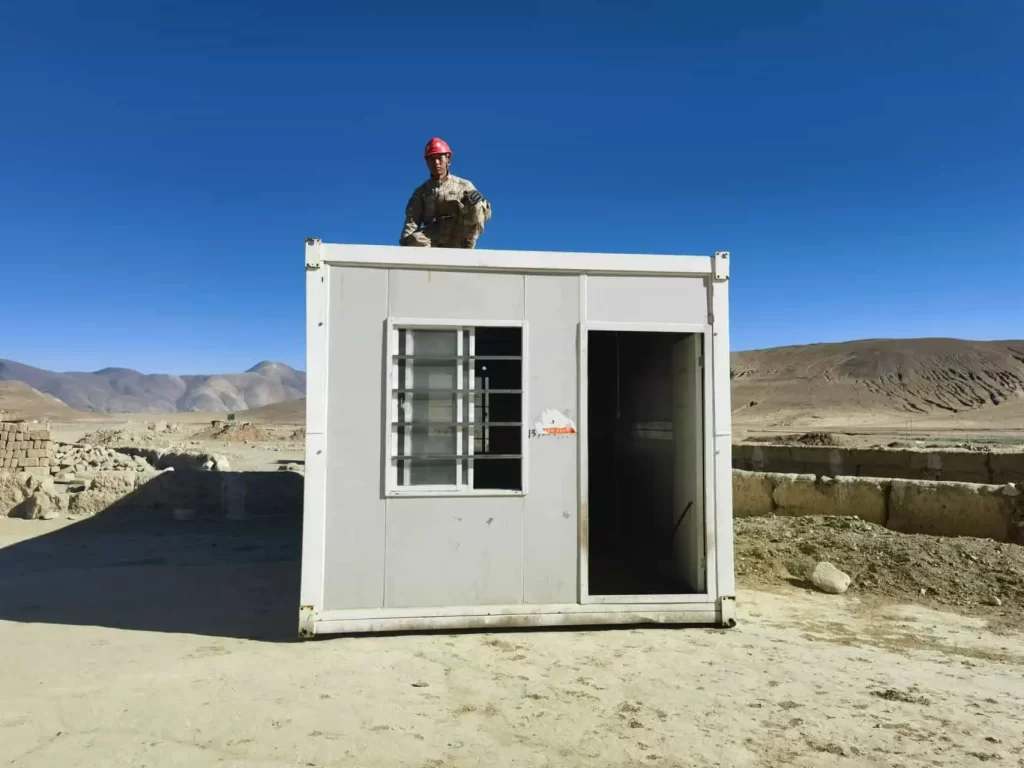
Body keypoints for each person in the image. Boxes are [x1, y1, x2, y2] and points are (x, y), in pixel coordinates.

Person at [399, 137, 492, 248]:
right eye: (432, 159)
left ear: (448, 161)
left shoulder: (464, 185)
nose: (436, 163)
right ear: (427, 163)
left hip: (459, 234)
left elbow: (484, 213)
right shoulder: (421, 192)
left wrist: (482, 204)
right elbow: (412, 220)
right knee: (414, 240)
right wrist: (405, 246)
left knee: (479, 203)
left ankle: (467, 246)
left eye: (439, 158)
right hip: (433, 237)